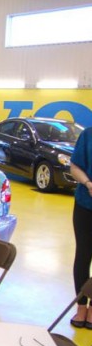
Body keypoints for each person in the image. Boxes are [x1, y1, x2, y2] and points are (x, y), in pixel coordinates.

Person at [69, 128, 92, 328]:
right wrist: (88, 183)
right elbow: (74, 167)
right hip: (85, 204)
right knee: (83, 256)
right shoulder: (88, 135)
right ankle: (81, 306)